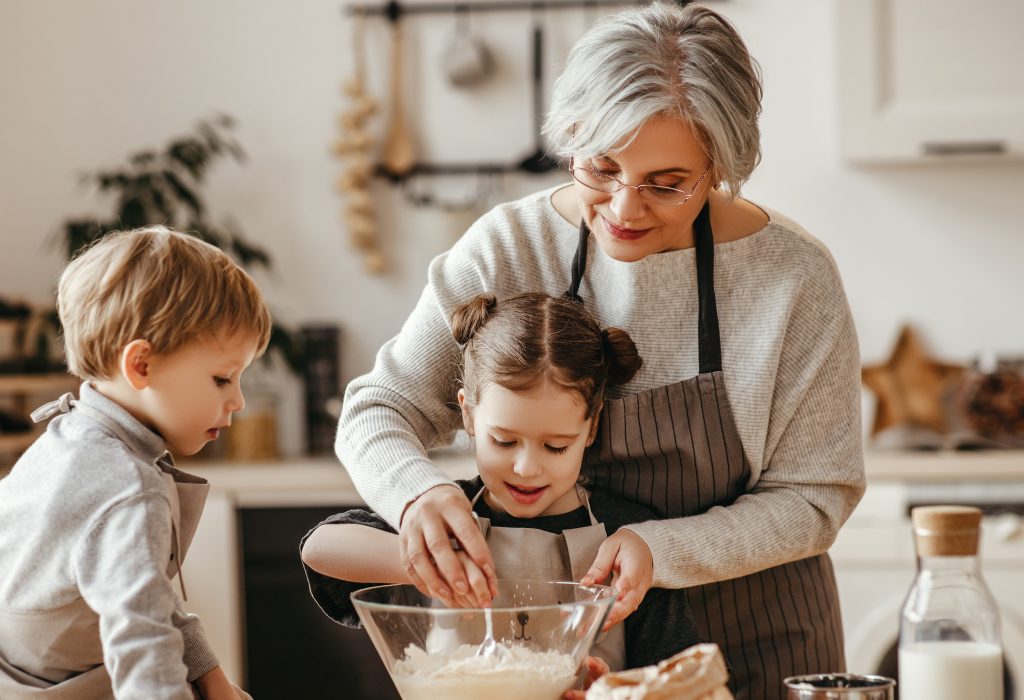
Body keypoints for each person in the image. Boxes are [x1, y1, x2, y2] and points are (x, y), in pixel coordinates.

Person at [336, 3, 865, 698]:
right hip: (558, 666)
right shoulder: (508, 247)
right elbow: (379, 408)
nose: (623, 208)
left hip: (754, 644)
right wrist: (417, 494)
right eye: (600, 167)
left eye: (667, 184)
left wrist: (662, 548)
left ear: (721, 167)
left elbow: (816, 495)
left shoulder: (793, 278)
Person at [302, 292, 703, 675]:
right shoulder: (450, 514)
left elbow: (676, 675)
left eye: (556, 446)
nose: (527, 468)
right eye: (504, 441)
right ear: (469, 416)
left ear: (592, 426)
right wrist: (432, 563)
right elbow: (320, 548)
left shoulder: (626, 537)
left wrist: (615, 692)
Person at [0, 226, 269, 699]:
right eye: (222, 378)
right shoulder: (127, 489)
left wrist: (211, 677)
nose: (238, 401)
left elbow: (153, 600)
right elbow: (145, 648)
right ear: (141, 366)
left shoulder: (67, 438)